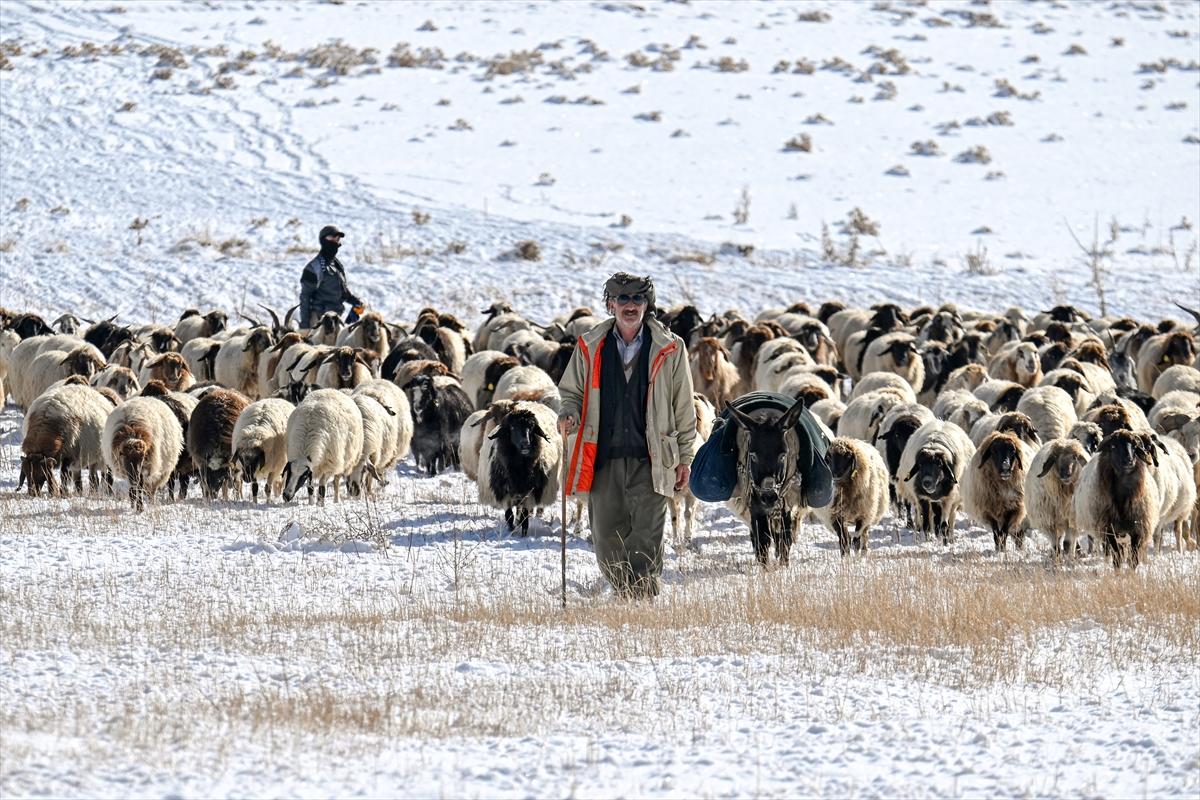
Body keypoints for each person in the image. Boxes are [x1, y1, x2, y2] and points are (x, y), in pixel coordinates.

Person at [557, 272, 698, 599]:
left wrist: (686, 458)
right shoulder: (591, 346)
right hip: (602, 456)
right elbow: (571, 392)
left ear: (647, 304)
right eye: (622, 299)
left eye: (637, 299)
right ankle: (625, 592)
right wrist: (569, 412)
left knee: (646, 537)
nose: (630, 305)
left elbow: (683, 409)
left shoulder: (670, 349)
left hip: (651, 457)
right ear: (610, 304)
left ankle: (642, 600)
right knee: (606, 537)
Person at [299, 225, 364, 328]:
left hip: (335, 320)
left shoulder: (337, 265)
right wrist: (304, 326)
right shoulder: (313, 267)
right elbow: (305, 297)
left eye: (337, 238)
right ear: (323, 240)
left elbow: (342, 291)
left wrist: (354, 301)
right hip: (319, 322)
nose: (335, 240)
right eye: (331, 237)